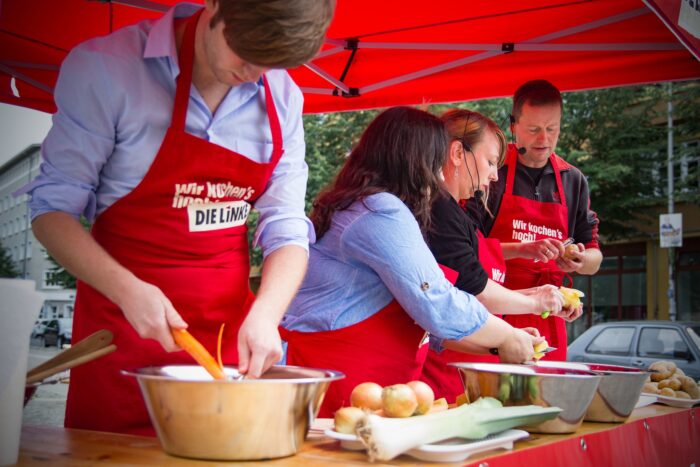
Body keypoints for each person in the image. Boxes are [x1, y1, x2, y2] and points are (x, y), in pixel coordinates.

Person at [18, 0, 335, 435]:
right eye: (244, 54)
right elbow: (51, 211)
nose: (253, 74)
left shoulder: (283, 97)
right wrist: (127, 290)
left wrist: (267, 313)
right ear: (215, 6)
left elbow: (286, 225)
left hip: (228, 342)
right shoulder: (107, 69)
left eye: (270, 65)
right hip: (122, 333)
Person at [280, 107, 544, 417]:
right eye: (435, 163)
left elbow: (427, 325)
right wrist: (506, 336)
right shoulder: (380, 212)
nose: (438, 175)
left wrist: (498, 343)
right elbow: (437, 301)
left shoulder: (362, 206)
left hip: (354, 382)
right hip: (340, 382)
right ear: (414, 160)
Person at [421, 109, 582, 402]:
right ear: (458, 153)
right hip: (438, 378)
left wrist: (507, 335)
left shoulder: (454, 211)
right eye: (491, 162)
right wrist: (534, 303)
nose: (494, 175)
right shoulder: (438, 211)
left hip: (464, 367)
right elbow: (474, 292)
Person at [467, 80, 602, 362]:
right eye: (534, 129)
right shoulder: (493, 175)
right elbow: (468, 249)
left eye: (552, 129)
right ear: (514, 126)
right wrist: (523, 248)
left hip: (549, 313)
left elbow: (594, 256)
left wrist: (580, 260)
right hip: (494, 308)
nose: (544, 139)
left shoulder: (573, 179)